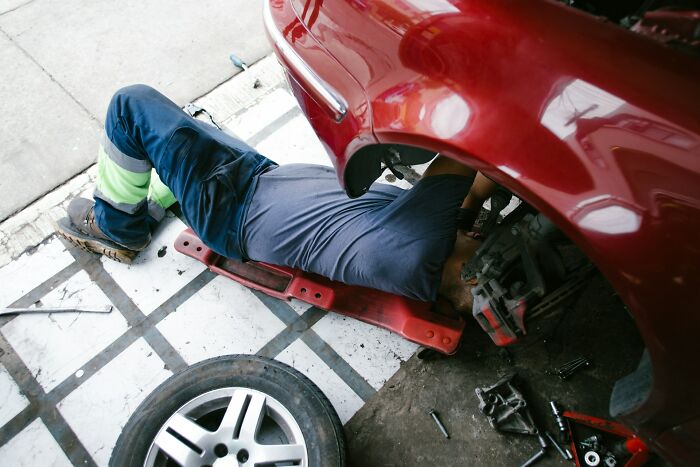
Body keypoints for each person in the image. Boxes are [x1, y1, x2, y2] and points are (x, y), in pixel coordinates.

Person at [55, 85, 481, 314]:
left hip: (229, 206)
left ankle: (117, 227)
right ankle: (152, 194)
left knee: (132, 104)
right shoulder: (435, 239)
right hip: (257, 178)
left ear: (471, 277)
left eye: (489, 248)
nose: (488, 235)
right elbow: (476, 190)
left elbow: (473, 147)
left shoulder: (422, 247)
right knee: (179, 129)